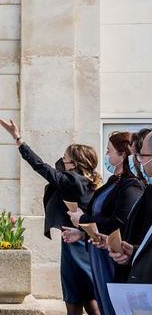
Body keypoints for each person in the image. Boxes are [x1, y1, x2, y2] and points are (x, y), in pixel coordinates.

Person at [0, 118, 101, 315]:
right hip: (82, 241)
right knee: (88, 295)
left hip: (75, 243)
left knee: (76, 296)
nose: (61, 160)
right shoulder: (86, 180)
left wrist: (18, 139)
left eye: (65, 157)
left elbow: (41, 166)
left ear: (75, 163)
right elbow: (55, 168)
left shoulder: (72, 181)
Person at [64, 131, 144, 315]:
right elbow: (100, 215)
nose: (106, 156)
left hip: (113, 257)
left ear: (123, 155)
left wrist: (82, 220)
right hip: (98, 253)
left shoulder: (131, 184)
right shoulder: (114, 181)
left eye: (109, 151)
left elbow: (118, 221)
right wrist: (82, 233)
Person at [109, 130, 152, 283]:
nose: (138, 162)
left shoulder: (133, 186)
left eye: (141, 156)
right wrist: (133, 251)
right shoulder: (149, 191)